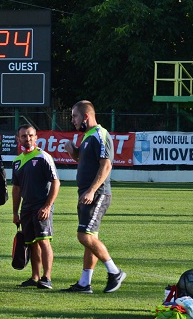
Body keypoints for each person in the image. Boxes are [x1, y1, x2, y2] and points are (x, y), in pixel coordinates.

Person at [62, 100, 126, 293]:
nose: (72, 120)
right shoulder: (88, 136)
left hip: (97, 193)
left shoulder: (100, 134)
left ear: (86, 116)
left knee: (84, 235)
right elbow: (82, 159)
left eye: (75, 116)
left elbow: (106, 165)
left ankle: (115, 272)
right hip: (87, 193)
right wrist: (73, 150)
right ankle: (84, 283)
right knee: (90, 238)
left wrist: (91, 190)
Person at [11, 124, 60, 290]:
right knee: (31, 242)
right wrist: (15, 212)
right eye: (24, 136)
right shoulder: (17, 161)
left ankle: (47, 277)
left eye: (31, 135)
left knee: (44, 241)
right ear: (18, 139)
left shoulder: (43, 157)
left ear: (36, 137)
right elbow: (16, 189)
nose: (28, 138)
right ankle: (35, 277)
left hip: (41, 205)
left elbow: (55, 182)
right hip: (26, 207)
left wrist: (47, 206)